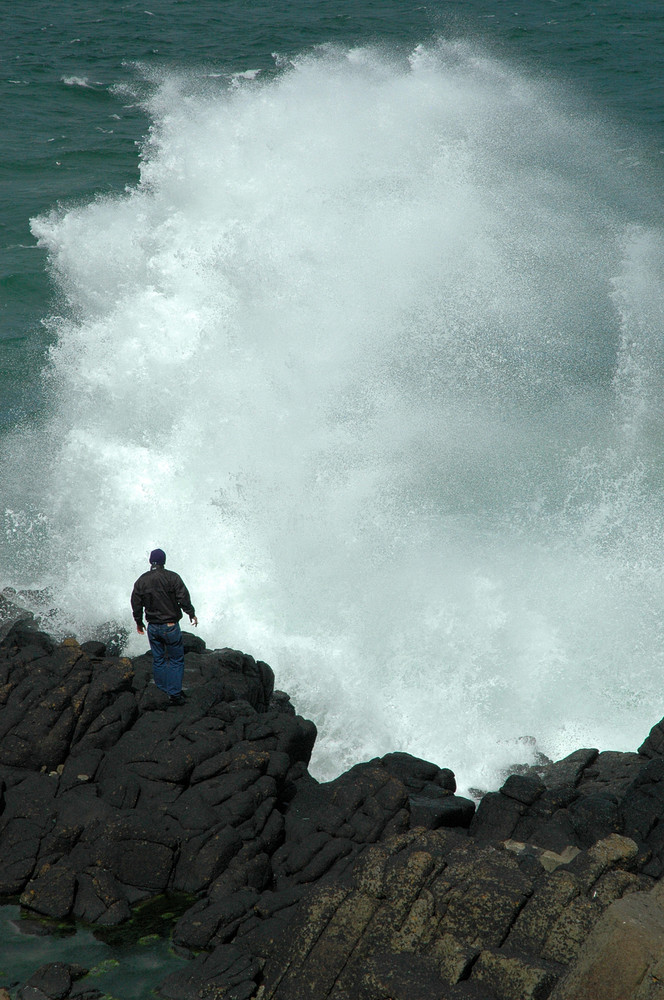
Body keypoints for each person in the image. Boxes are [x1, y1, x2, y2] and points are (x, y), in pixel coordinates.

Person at [131, 548, 198, 705]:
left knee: (159, 659)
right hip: (170, 625)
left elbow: (136, 603)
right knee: (176, 660)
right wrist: (191, 613)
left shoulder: (141, 581)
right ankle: (174, 694)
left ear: (151, 562)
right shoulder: (172, 577)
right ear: (164, 561)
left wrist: (139, 622)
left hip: (153, 627)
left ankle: (161, 692)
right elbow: (183, 598)